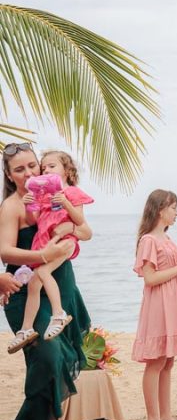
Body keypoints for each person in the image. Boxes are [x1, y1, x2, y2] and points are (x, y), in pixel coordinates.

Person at [1, 141, 92, 420]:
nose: (29, 173)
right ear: (10, 176)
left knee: (63, 357)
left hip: (62, 285)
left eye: (33, 166)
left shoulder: (53, 198)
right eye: (19, 170)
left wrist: (67, 225)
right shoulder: (12, 206)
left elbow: (82, 230)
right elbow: (6, 251)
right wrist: (43, 253)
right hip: (25, 291)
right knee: (46, 355)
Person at [8, 150, 94, 353]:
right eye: (44, 167)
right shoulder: (45, 195)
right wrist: (31, 206)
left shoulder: (72, 192)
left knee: (43, 273)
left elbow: (80, 222)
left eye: (52, 166)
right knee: (34, 284)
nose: (46, 169)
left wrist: (65, 202)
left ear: (66, 170)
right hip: (49, 241)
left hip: (66, 241)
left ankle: (58, 314)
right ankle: (27, 328)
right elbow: (42, 221)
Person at [132, 189, 177, 420]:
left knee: (168, 361)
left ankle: (166, 415)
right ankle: (153, 419)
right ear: (160, 210)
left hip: (174, 301)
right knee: (156, 360)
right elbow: (149, 278)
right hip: (159, 303)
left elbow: (172, 269)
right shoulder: (149, 240)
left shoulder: (168, 240)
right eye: (173, 208)